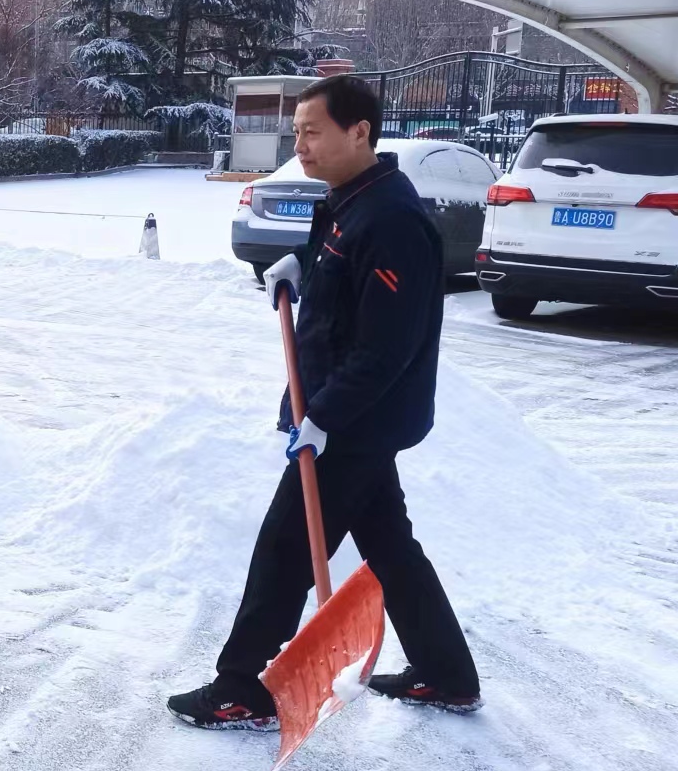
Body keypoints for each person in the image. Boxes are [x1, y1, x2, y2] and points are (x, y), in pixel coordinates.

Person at [168, 74, 480, 730]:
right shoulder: (350, 200)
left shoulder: (391, 219)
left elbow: (384, 348)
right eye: (298, 131)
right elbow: (344, 300)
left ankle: (240, 685)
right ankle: (447, 672)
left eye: (314, 130)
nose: (301, 144)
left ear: (359, 131)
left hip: (355, 421)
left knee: (284, 547)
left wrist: (323, 418)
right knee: (390, 544)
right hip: (344, 414)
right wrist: (296, 278)